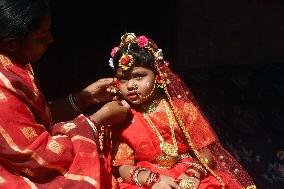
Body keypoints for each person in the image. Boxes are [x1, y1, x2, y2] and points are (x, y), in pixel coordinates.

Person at [0, 0, 130, 188]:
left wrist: (85, 98)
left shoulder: (15, 64)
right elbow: (37, 157)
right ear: (11, 43)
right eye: (41, 37)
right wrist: (95, 121)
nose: (51, 40)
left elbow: (33, 121)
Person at [108, 33, 257, 189]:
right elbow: (123, 166)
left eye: (139, 76)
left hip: (190, 175)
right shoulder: (122, 118)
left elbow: (206, 153)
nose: (131, 84)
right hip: (148, 181)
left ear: (158, 75)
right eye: (123, 78)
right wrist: (151, 180)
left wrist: (193, 173)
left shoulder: (183, 109)